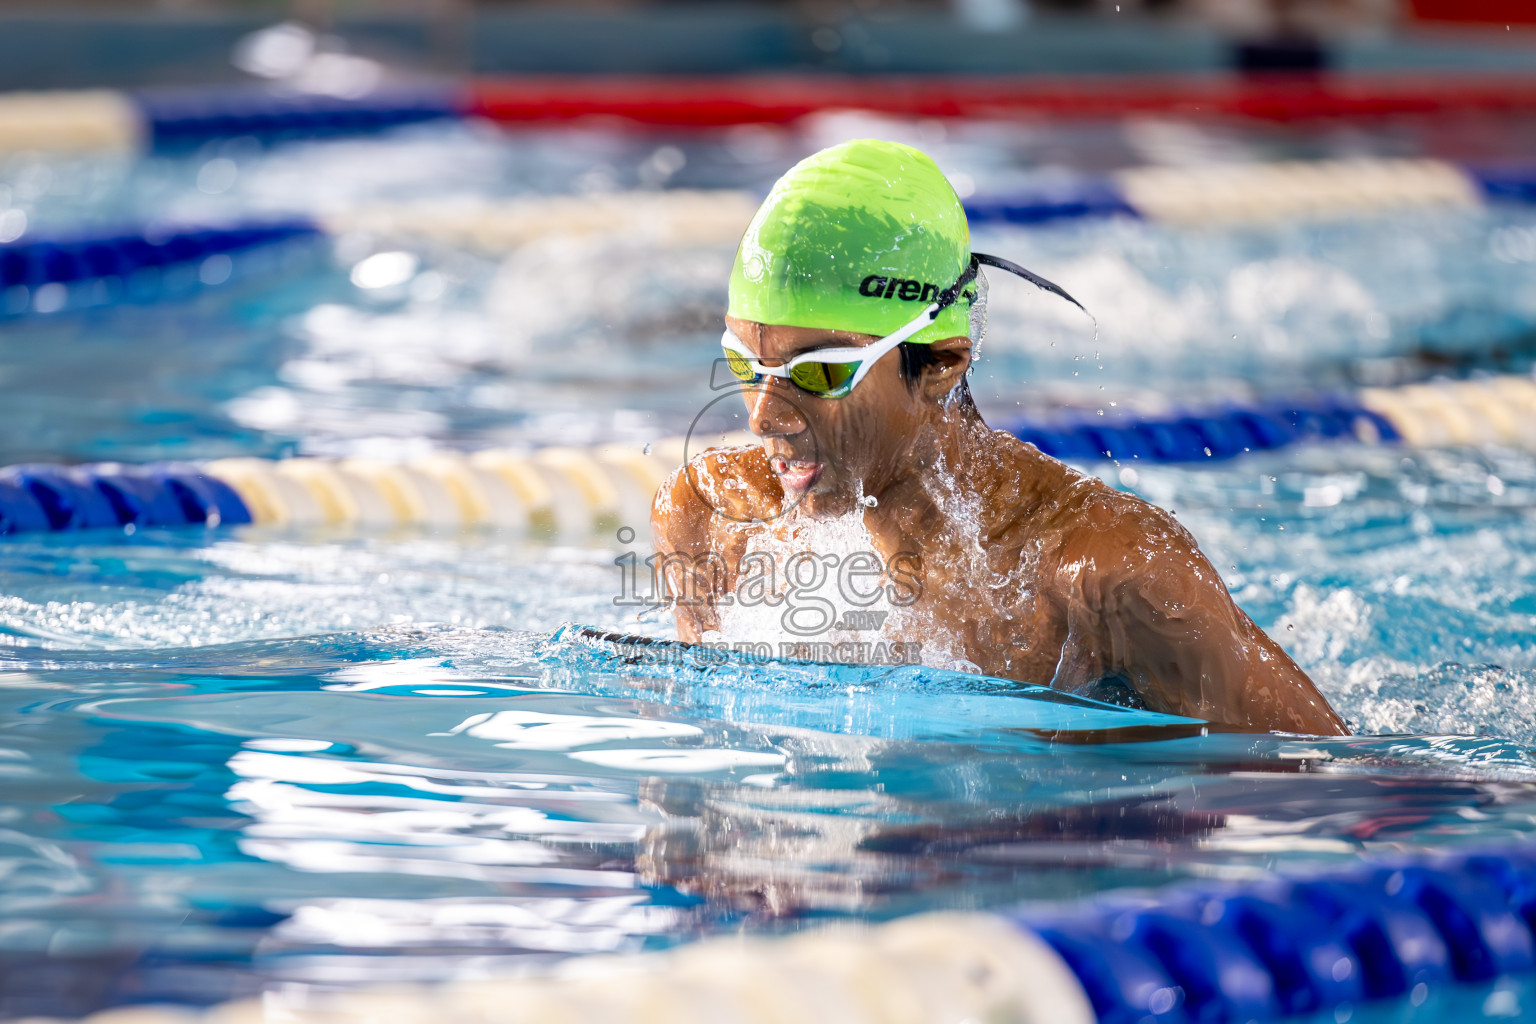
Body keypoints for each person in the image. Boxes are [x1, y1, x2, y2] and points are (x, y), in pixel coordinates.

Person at [650, 138, 1346, 736]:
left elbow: (1333, 784)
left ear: (942, 363)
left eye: (821, 371)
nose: (764, 416)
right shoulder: (711, 516)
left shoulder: (1105, 572)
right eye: (746, 365)